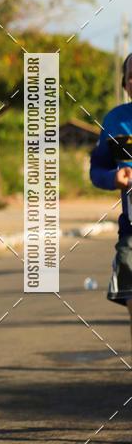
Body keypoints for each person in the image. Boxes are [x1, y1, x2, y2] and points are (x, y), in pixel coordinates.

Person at [90, 52, 132, 355]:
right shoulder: (115, 121)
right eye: (131, 76)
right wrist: (113, 178)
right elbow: (97, 170)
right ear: (125, 83)